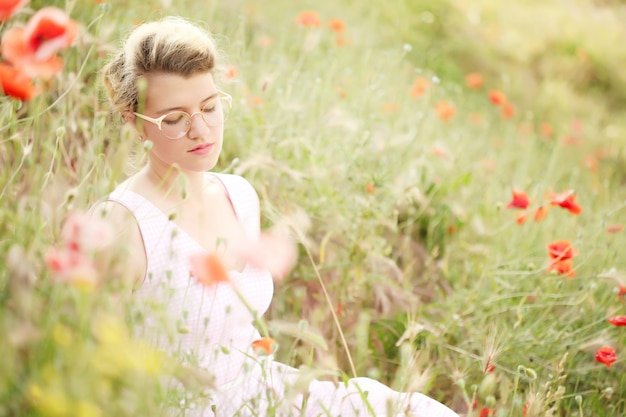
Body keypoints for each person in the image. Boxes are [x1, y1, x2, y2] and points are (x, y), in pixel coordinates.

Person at [94, 15, 460, 417]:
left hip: (263, 392)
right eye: (175, 119)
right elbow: (96, 371)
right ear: (134, 121)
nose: (202, 129)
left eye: (211, 107)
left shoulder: (238, 194)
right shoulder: (121, 226)